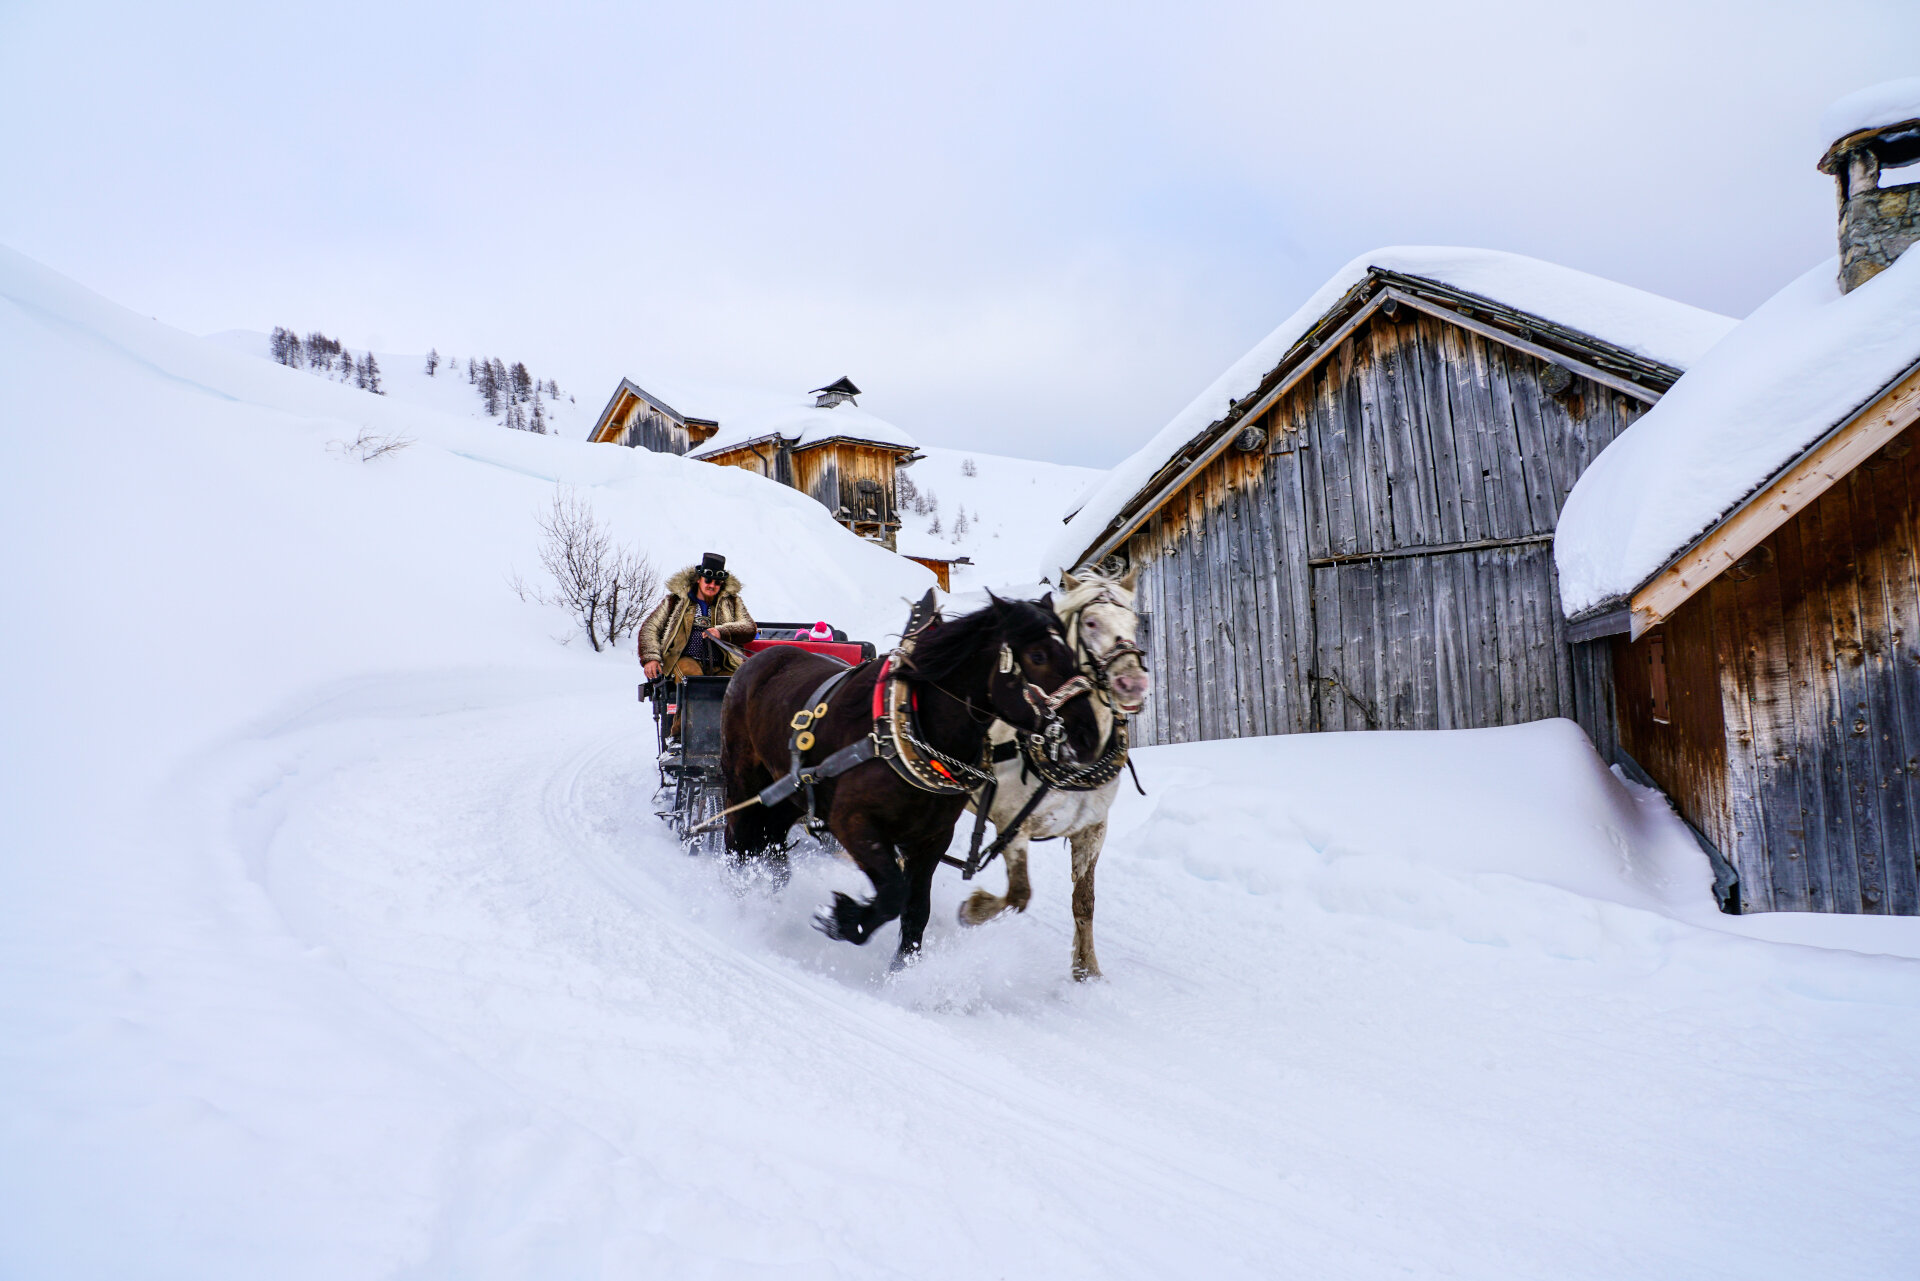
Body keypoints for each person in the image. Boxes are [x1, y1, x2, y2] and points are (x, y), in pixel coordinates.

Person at [640, 552, 756, 685]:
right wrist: (651, 658)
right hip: (684, 659)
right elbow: (650, 628)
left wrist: (722, 632)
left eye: (717, 582)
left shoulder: (732, 602)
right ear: (699, 579)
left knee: (737, 686)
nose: (712, 585)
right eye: (708, 580)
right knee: (694, 681)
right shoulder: (677, 600)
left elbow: (749, 627)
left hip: (722, 664)